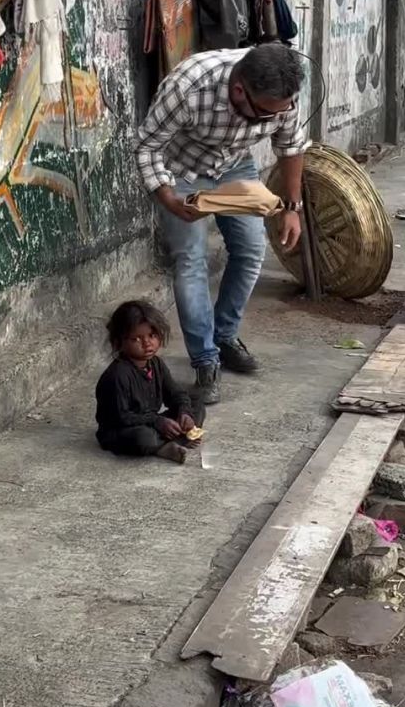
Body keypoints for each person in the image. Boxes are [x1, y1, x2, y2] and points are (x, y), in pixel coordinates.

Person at [135, 43, 307, 405]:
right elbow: (147, 146)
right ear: (239, 91)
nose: (274, 119)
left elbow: (291, 146)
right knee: (191, 259)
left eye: (282, 110)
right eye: (265, 114)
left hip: (234, 166)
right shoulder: (188, 86)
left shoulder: (282, 98)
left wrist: (293, 208)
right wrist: (169, 199)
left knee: (251, 249)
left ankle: (224, 336)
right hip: (181, 171)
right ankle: (205, 361)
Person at [96, 299, 205, 466]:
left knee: (196, 402)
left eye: (152, 336)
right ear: (119, 342)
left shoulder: (156, 364)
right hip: (122, 430)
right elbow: (122, 417)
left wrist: (184, 413)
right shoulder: (117, 375)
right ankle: (162, 447)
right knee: (143, 437)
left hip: (151, 422)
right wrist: (157, 422)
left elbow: (175, 394)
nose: (147, 343)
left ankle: (177, 434)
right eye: (136, 339)